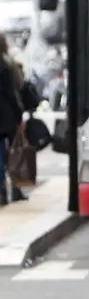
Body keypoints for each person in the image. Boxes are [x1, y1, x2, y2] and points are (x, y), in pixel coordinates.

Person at [0, 33, 25, 205]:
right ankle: (14, 188)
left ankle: (2, 190)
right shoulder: (6, 65)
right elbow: (13, 92)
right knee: (11, 152)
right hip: (5, 116)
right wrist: (18, 115)